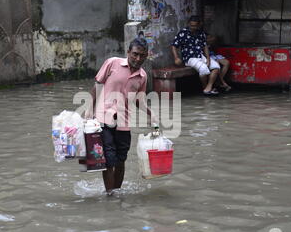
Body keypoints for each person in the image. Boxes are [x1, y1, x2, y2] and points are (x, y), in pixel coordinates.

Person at [86, 37, 157, 195]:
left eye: (142, 56)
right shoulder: (112, 63)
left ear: (146, 56)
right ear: (128, 52)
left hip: (124, 121)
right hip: (104, 118)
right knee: (109, 160)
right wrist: (89, 109)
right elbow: (97, 86)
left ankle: (117, 192)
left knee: (121, 159)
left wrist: (151, 114)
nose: (138, 59)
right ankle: (110, 194)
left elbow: (139, 100)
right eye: (135, 54)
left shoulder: (143, 76)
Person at [171, 15, 220, 96]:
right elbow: (174, 45)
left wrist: (208, 59)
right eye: (191, 25)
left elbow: (204, 46)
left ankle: (209, 87)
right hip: (189, 58)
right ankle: (205, 88)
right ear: (188, 24)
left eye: (195, 26)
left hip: (200, 56)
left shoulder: (201, 33)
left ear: (198, 25)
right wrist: (176, 58)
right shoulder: (183, 33)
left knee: (216, 67)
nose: (193, 27)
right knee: (203, 69)